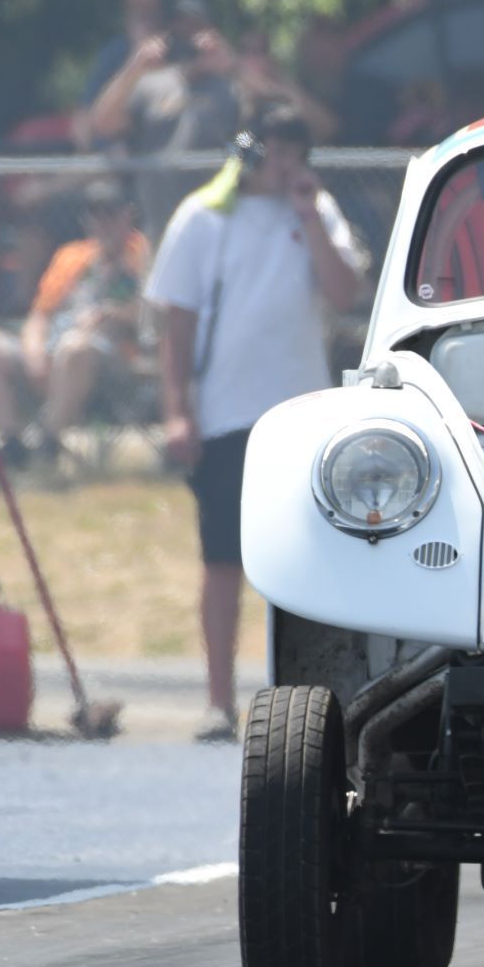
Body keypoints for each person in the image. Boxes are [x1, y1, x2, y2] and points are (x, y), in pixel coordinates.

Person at [145, 107, 365, 741]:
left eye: (295, 153)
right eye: (273, 151)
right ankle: (219, 700)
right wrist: (177, 409)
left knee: (307, 562)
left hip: (302, 416)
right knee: (221, 561)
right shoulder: (204, 217)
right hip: (225, 415)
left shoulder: (315, 212)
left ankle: (309, 700)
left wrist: (307, 216)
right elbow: (176, 320)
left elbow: (344, 291)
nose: (283, 164)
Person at [0, 179, 150, 467]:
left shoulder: (143, 255)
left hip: (111, 357)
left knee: (75, 348)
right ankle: (12, 444)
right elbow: (40, 315)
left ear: (128, 216)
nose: (101, 223)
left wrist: (112, 313)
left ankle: (47, 443)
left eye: (110, 214)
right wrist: (34, 354)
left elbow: (152, 313)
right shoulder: (72, 256)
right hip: (55, 346)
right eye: (94, 214)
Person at [87, 0, 244, 237]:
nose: (188, 35)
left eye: (195, 29)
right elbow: (103, 124)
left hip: (219, 220)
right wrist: (135, 65)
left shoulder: (231, 87)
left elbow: (258, 133)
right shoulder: (151, 84)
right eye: (180, 28)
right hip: (159, 223)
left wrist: (233, 66)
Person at [73, 0, 166, 151]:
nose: (145, 18)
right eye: (137, 9)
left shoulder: (175, 50)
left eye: (149, 10)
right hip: (110, 156)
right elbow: (84, 121)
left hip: (154, 152)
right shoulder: (115, 53)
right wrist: (135, 61)